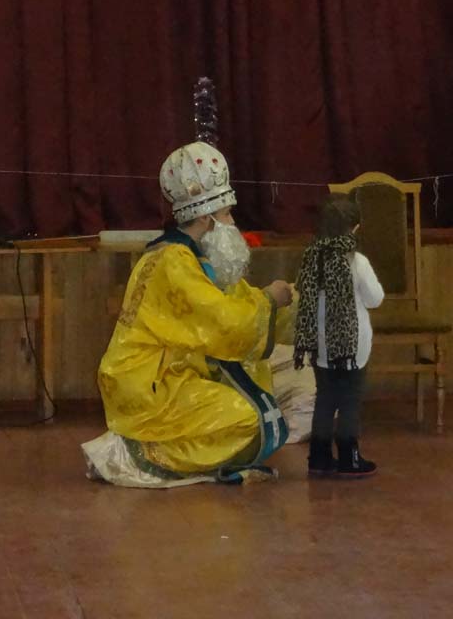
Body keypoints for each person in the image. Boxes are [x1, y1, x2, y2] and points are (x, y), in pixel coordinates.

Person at [82, 141, 294, 487]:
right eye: (227, 214)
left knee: (257, 408)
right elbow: (224, 320)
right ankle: (134, 452)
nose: (232, 222)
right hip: (151, 383)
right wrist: (270, 300)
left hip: (175, 373)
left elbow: (229, 301)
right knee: (247, 416)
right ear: (206, 217)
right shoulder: (173, 261)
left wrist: (277, 298)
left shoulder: (193, 256)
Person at [294, 193, 384, 478]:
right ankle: (349, 457)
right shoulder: (356, 261)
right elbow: (375, 299)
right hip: (352, 346)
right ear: (354, 227)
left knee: (325, 398)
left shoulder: (311, 258)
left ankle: (319, 457)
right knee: (349, 400)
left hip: (319, 344)